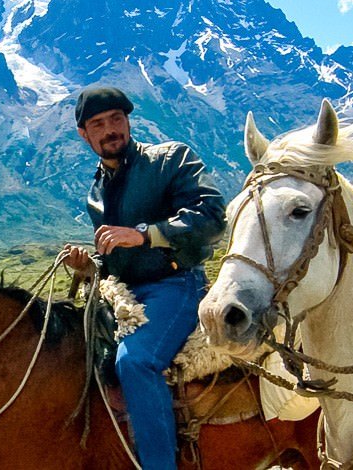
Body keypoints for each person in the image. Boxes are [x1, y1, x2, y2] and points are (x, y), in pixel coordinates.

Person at [61, 87, 225, 470]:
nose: (110, 129)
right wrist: (89, 267)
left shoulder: (170, 159)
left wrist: (147, 233)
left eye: (117, 119)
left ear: (128, 121)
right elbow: (116, 259)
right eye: (98, 124)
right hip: (125, 294)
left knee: (136, 363)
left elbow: (214, 216)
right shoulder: (95, 193)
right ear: (84, 134)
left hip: (175, 285)